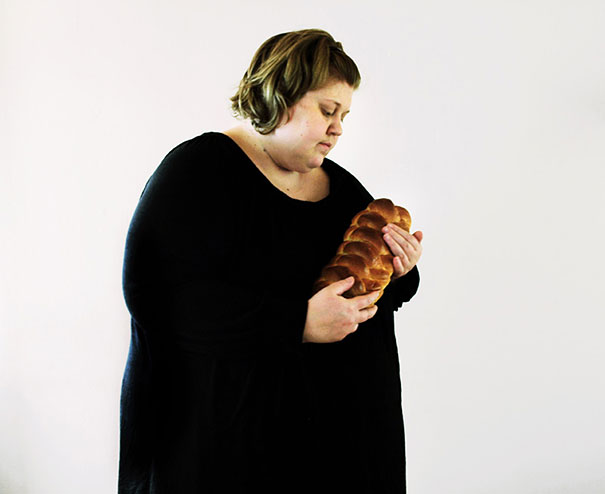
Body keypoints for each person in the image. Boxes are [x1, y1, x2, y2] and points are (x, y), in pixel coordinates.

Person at [118, 28, 423, 494]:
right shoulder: (198, 172)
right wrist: (296, 323)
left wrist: (402, 270)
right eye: (327, 110)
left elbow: (371, 295)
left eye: (344, 115)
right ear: (279, 98)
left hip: (337, 454)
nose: (338, 128)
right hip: (228, 451)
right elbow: (157, 297)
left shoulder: (344, 190)